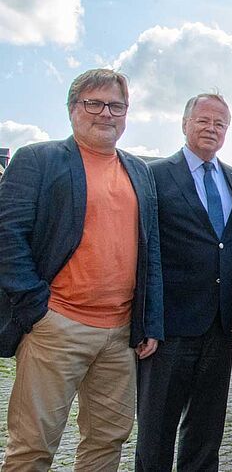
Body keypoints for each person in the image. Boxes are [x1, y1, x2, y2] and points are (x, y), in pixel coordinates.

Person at [0, 68, 163, 471]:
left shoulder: (138, 171)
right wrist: (36, 307)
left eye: (116, 106)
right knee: (33, 446)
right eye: (95, 103)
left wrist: (149, 322)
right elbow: (6, 235)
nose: (106, 113)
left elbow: (150, 250)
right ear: (74, 109)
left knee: (107, 443)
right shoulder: (38, 160)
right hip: (57, 327)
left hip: (120, 334)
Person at [135, 93, 232, 471]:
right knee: (157, 431)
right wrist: (146, 321)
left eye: (220, 124)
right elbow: (144, 250)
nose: (211, 129)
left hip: (219, 329)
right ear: (185, 124)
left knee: (206, 432)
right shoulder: (154, 175)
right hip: (169, 327)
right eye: (203, 120)